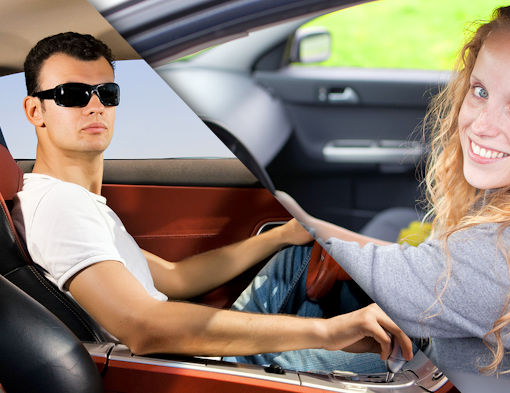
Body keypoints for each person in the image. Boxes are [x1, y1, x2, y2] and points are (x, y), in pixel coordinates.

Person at [276, 3, 510, 385]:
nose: (482, 125)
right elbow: (399, 267)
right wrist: (311, 226)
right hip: (452, 363)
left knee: (272, 325)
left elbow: (383, 272)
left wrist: (299, 224)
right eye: (480, 91)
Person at [11, 31, 413, 373]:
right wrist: (327, 333)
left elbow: (175, 278)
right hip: (203, 362)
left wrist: (280, 237)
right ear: (35, 110)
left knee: (303, 253)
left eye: (106, 92)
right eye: (72, 94)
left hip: (201, 343)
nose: (95, 105)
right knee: (415, 356)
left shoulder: (80, 202)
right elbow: (142, 324)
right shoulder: (60, 206)